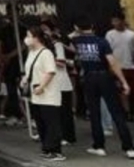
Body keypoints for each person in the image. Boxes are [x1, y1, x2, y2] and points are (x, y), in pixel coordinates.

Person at [72, 19, 134, 158]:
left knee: (94, 113)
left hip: (89, 78)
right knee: (116, 112)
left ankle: (99, 146)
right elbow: (113, 63)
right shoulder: (101, 42)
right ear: (93, 26)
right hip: (104, 77)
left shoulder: (77, 41)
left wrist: (77, 30)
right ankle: (129, 148)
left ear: (77, 27)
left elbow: (70, 38)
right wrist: (123, 82)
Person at [21, 27, 64, 161]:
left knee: (51, 122)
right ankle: (46, 148)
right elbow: (30, 70)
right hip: (36, 94)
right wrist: (24, 80)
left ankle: (56, 151)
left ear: (36, 38)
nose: (26, 39)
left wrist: (42, 86)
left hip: (48, 94)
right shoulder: (31, 52)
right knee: (41, 122)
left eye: (28, 36)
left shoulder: (46, 53)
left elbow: (50, 72)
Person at [42, 20, 76, 146]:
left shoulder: (57, 45)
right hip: (54, 83)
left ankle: (68, 136)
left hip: (62, 83)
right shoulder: (47, 47)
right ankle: (62, 135)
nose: (44, 32)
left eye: (46, 29)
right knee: (58, 112)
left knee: (65, 112)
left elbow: (61, 63)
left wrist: (49, 59)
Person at [106, 13, 134, 116]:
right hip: (117, 67)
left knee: (130, 90)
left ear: (122, 21)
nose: (114, 23)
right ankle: (126, 113)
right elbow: (108, 51)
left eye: (116, 21)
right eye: (113, 21)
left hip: (130, 66)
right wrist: (110, 66)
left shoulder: (131, 34)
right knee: (121, 91)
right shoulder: (110, 34)